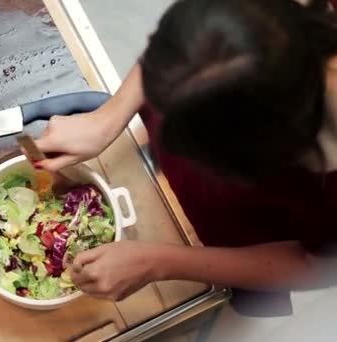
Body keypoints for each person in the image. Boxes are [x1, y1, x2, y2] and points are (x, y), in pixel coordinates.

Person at [32, 0, 337, 316]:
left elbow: (318, 266)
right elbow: (185, 40)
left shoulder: (327, 188)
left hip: (242, 242)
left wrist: (158, 263)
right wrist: (108, 118)